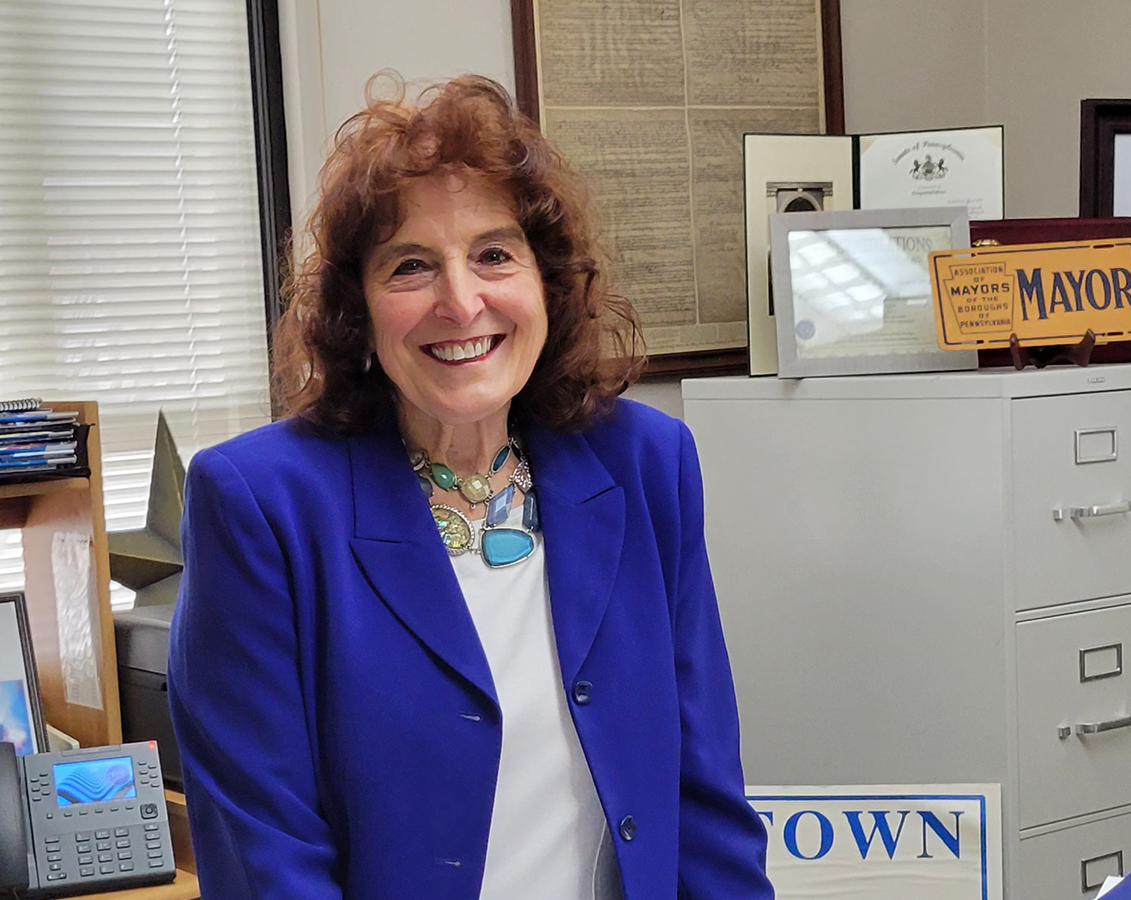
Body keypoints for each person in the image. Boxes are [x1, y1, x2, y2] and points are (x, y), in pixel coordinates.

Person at [167, 74, 772, 900]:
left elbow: (706, 801)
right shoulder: (260, 504)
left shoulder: (644, 463)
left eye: (493, 254)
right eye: (411, 265)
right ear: (358, 311)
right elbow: (267, 861)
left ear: (545, 283)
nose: (461, 302)